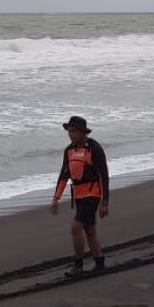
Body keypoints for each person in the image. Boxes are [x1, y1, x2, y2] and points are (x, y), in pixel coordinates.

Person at [52, 116, 110, 277]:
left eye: (74, 131)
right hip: (78, 195)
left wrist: (104, 202)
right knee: (89, 229)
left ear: (83, 132)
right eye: (69, 132)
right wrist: (56, 198)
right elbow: (64, 175)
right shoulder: (69, 150)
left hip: (93, 194)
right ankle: (100, 263)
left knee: (76, 227)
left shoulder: (94, 148)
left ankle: (78, 265)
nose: (71, 135)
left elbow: (103, 176)